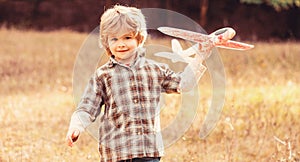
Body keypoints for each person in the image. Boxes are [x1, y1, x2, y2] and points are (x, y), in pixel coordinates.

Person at [66, 4, 211, 162]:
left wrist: (200, 56)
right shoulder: (102, 76)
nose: (121, 43)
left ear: (139, 39)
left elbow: (184, 84)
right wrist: (76, 126)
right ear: (106, 42)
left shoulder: (154, 70)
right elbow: (87, 108)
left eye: (127, 38)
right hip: (116, 153)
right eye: (114, 39)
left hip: (148, 152)